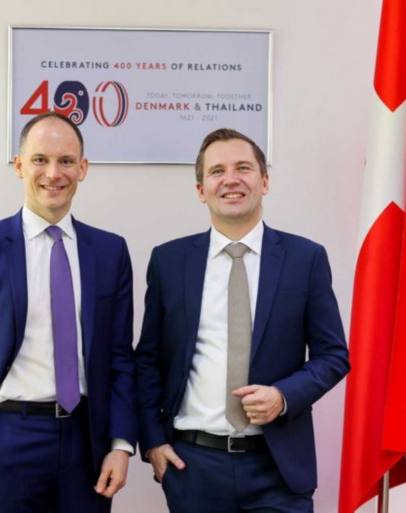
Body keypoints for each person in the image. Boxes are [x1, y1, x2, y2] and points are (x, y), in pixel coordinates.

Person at [0, 112, 136, 513]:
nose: (53, 173)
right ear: (20, 165)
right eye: (40, 159)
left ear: (83, 168)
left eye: (66, 161)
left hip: (86, 443)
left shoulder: (110, 252)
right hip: (8, 438)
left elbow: (120, 358)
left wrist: (121, 444)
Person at [135, 128, 350, 512]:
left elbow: (333, 355)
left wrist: (284, 396)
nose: (230, 179)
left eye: (243, 168)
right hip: (194, 467)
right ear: (201, 189)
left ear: (264, 181)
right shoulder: (169, 262)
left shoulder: (305, 259)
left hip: (278, 468)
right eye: (217, 171)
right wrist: (153, 442)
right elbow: (148, 359)